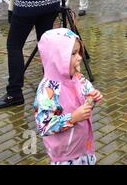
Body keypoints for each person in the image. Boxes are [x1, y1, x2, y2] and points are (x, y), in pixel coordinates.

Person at [33, 28, 103, 165]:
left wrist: (93, 96)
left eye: (79, 52)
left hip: (84, 147)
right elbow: (44, 126)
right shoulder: (48, 90)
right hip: (65, 156)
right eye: (73, 54)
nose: (80, 57)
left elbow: (87, 94)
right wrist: (72, 118)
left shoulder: (78, 77)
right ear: (57, 57)